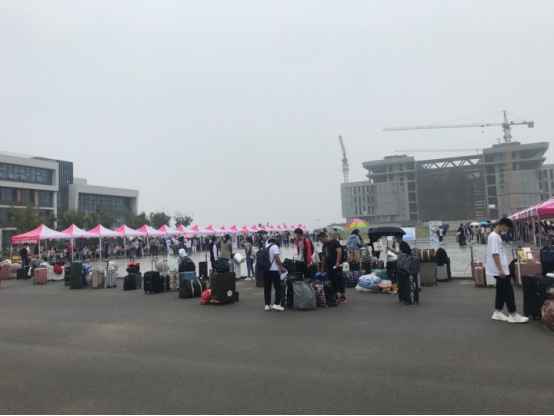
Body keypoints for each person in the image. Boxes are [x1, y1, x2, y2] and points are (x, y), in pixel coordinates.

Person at [487, 218, 529, 324]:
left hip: (501, 269)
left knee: (501, 291)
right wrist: (500, 269)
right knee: (508, 291)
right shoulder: (494, 237)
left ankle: (497, 312)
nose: (507, 230)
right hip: (500, 270)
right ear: (503, 225)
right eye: (507, 228)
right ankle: (513, 314)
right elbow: (495, 254)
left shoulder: (496, 236)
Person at [319, 232, 347, 304]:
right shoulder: (324, 246)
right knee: (331, 280)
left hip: (336, 265)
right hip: (329, 265)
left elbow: (339, 251)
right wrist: (322, 267)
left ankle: (342, 296)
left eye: (321, 239)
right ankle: (335, 295)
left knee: (339, 279)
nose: (320, 241)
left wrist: (338, 262)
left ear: (324, 237)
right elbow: (323, 257)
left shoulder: (334, 242)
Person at [264, 237, 287, 312]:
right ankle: (276, 304)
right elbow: (277, 257)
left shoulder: (265, 247)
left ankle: (267, 305)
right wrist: (282, 267)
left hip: (265, 270)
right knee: (278, 287)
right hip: (273, 270)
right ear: (275, 242)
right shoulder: (275, 246)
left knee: (267, 288)